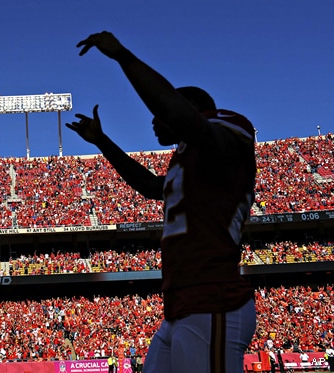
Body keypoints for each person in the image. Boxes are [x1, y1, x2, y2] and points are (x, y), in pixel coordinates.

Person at [67, 31, 257, 373]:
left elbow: (179, 114)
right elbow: (150, 186)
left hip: (212, 299)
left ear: (190, 110)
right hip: (181, 304)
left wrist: (123, 57)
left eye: (161, 114)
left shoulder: (227, 130)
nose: (153, 120)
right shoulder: (187, 156)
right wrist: (103, 142)